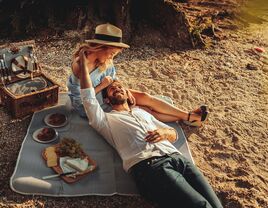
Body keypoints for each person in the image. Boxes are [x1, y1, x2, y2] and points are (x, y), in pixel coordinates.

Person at [78, 49, 223, 208]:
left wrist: (165, 132)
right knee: (201, 205)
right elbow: (88, 97)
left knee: (216, 204)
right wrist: (84, 66)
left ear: (128, 94)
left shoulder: (142, 112)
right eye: (112, 89)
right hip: (151, 167)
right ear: (106, 99)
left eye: (120, 86)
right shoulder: (104, 119)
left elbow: (173, 134)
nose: (117, 88)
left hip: (179, 159)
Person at [67, 23, 208, 127]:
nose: (112, 57)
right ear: (100, 47)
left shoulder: (105, 58)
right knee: (143, 110)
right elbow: (82, 100)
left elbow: (113, 78)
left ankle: (188, 116)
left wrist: (125, 90)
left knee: (144, 96)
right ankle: (189, 118)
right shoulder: (80, 66)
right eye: (111, 53)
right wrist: (102, 86)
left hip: (106, 91)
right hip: (89, 105)